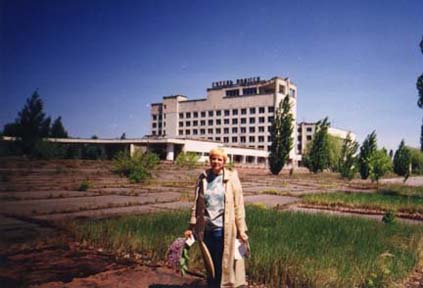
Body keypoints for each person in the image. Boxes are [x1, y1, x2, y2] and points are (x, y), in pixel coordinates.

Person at [184, 147, 249, 288]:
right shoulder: (203, 178)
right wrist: (191, 226)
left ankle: (223, 285)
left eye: (219, 159)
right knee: (209, 263)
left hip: (223, 229)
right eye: (213, 158)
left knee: (223, 263)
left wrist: (242, 230)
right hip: (205, 229)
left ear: (224, 161)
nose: (216, 162)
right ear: (210, 160)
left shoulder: (232, 178)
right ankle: (212, 285)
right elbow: (196, 203)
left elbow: (239, 206)